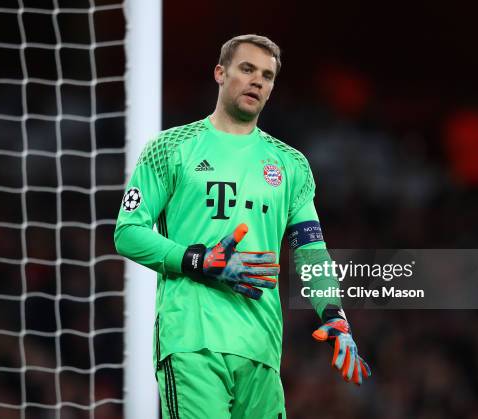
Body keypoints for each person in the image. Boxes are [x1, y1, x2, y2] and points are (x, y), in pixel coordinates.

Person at [115, 34, 370, 419]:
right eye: (247, 69)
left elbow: (310, 249)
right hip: (191, 343)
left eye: (267, 76)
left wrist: (335, 314)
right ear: (220, 73)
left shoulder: (290, 164)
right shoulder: (170, 148)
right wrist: (199, 261)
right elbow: (127, 232)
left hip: (261, 348)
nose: (257, 81)